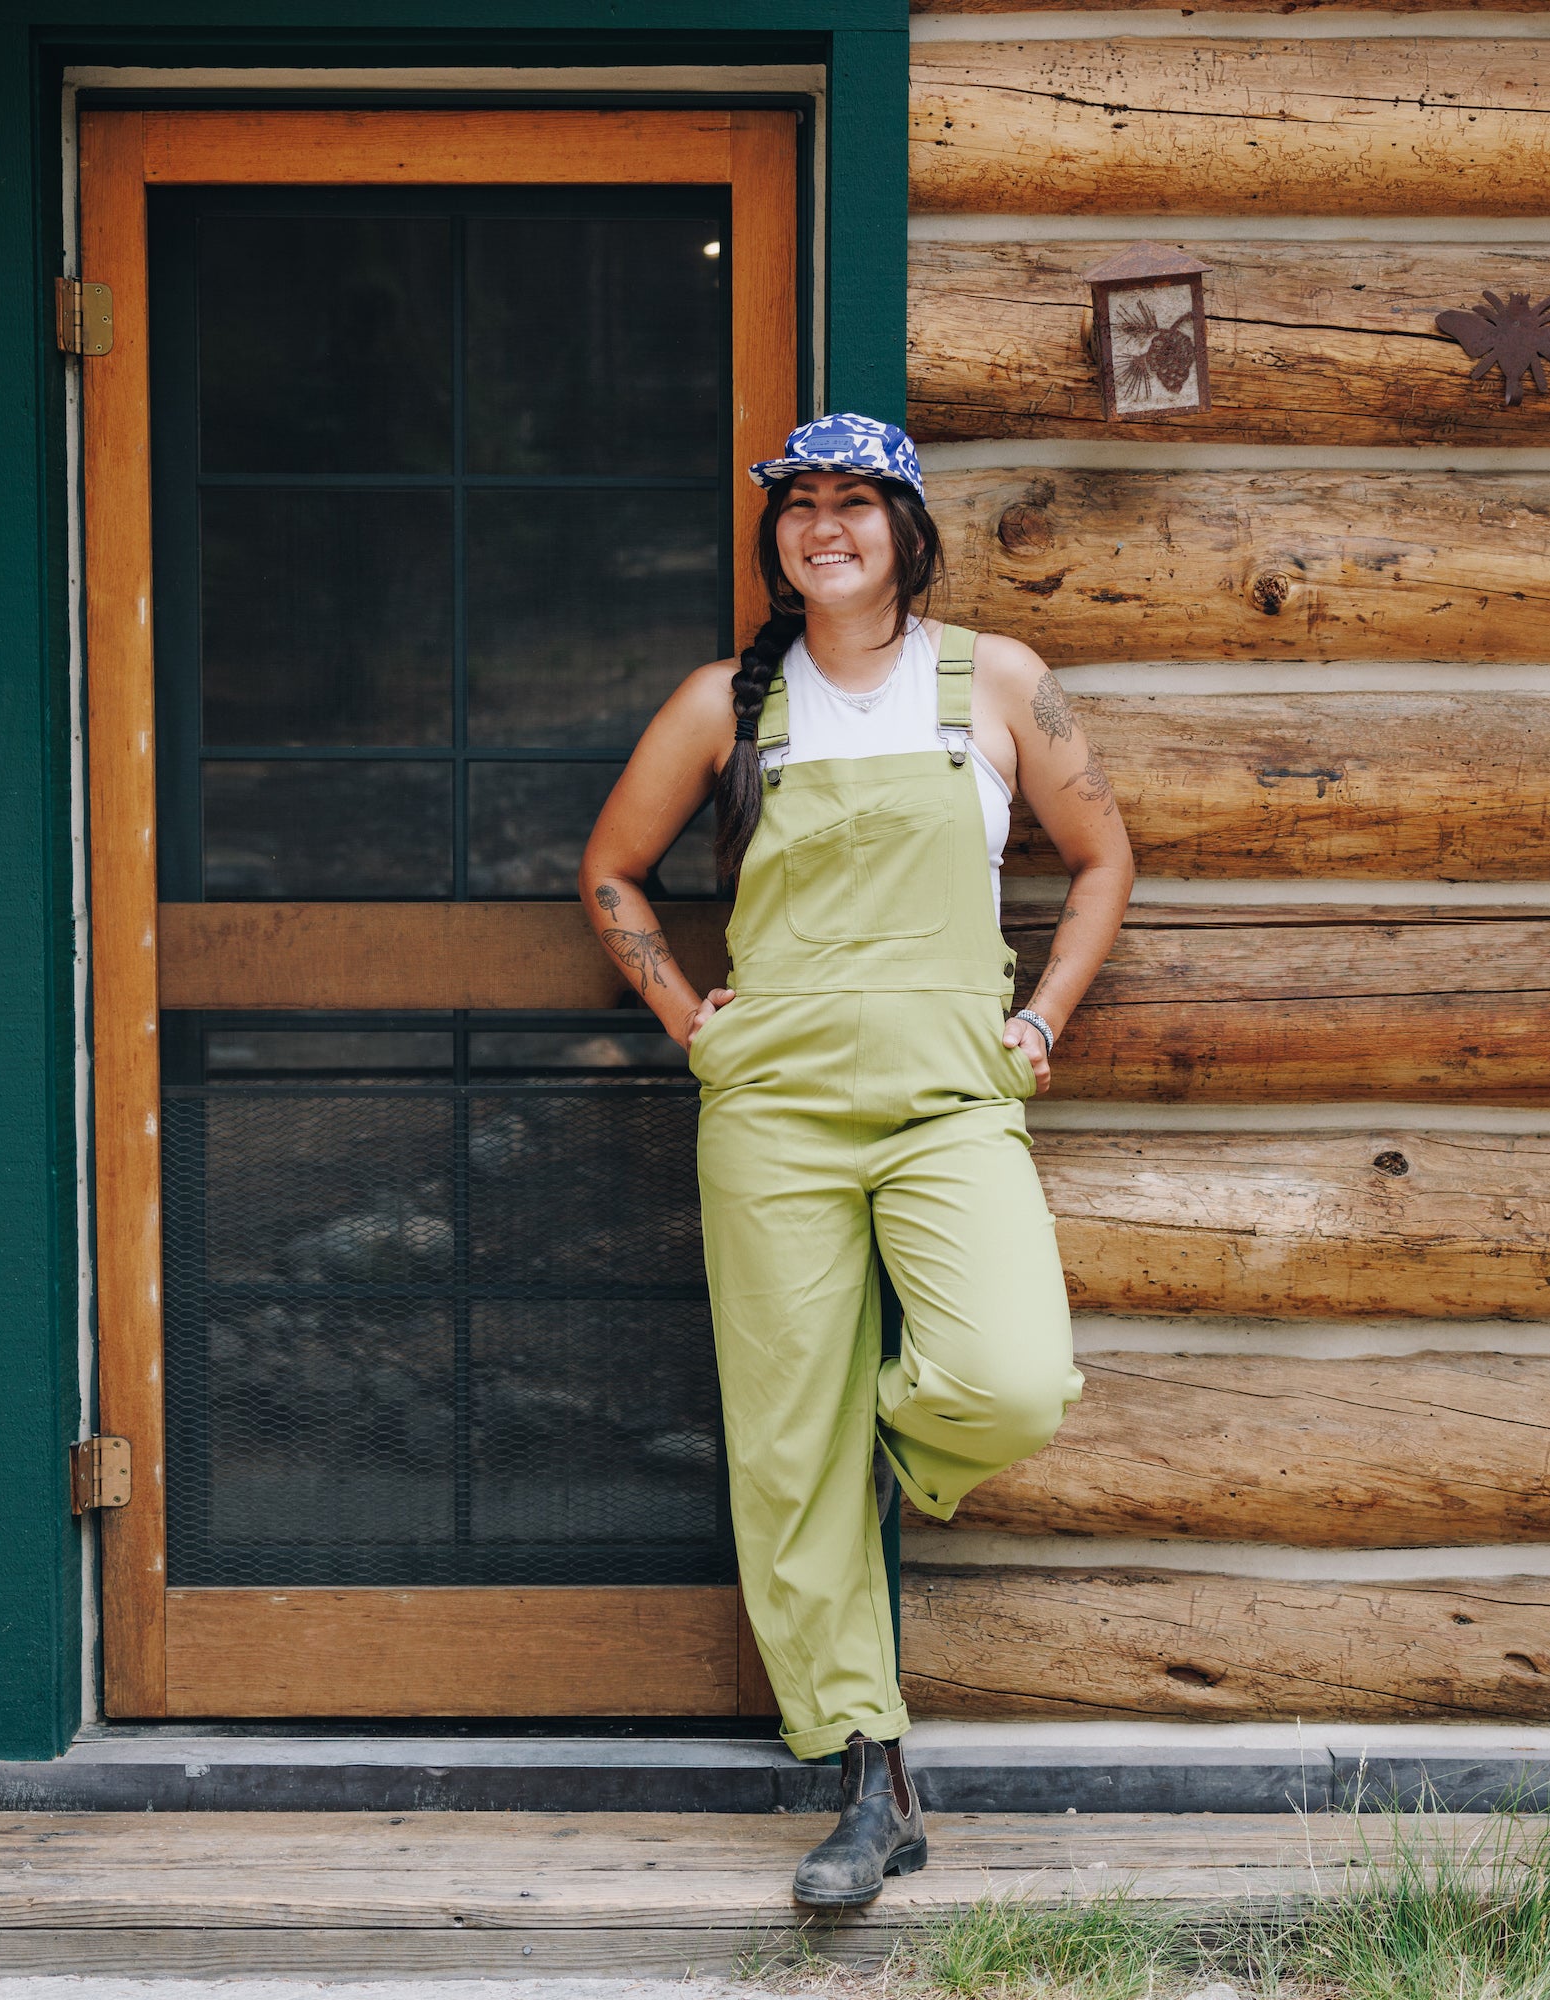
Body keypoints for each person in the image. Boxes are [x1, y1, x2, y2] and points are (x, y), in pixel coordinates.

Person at [580, 414, 1133, 1904]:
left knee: (1006, 1377)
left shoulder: (996, 683)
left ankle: (878, 1452)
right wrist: (691, 1015)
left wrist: (1043, 1018)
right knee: (782, 1439)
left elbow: (1103, 862)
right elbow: (610, 870)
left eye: (852, 505)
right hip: (773, 1106)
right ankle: (866, 1771)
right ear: (776, 539)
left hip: (953, 1093)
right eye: (797, 508)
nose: (823, 528)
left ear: (905, 529)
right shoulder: (728, 701)